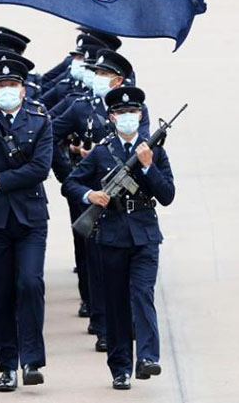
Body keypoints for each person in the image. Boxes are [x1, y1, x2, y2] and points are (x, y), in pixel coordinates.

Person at [62, 86, 175, 390]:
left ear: (141, 115)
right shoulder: (101, 152)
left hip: (144, 234)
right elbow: (71, 183)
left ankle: (148, 358)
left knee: (142, 294)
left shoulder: (155, 151)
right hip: (111, 234)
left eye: (133, 112)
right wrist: (90, 195)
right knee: (116, 303)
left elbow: (167, 195)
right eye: (122, 113)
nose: (128, 117)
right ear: (112, 117)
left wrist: (149, 165)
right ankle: (121, 366)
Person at [0, 58, 52, 392]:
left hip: (30, 217)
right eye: (0, 86)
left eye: (12, 86)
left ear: (23, 89)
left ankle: (31, 359)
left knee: (30, 284)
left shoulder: (40, 119)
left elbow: (40, 168)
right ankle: (7, 365)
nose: (6, 91)